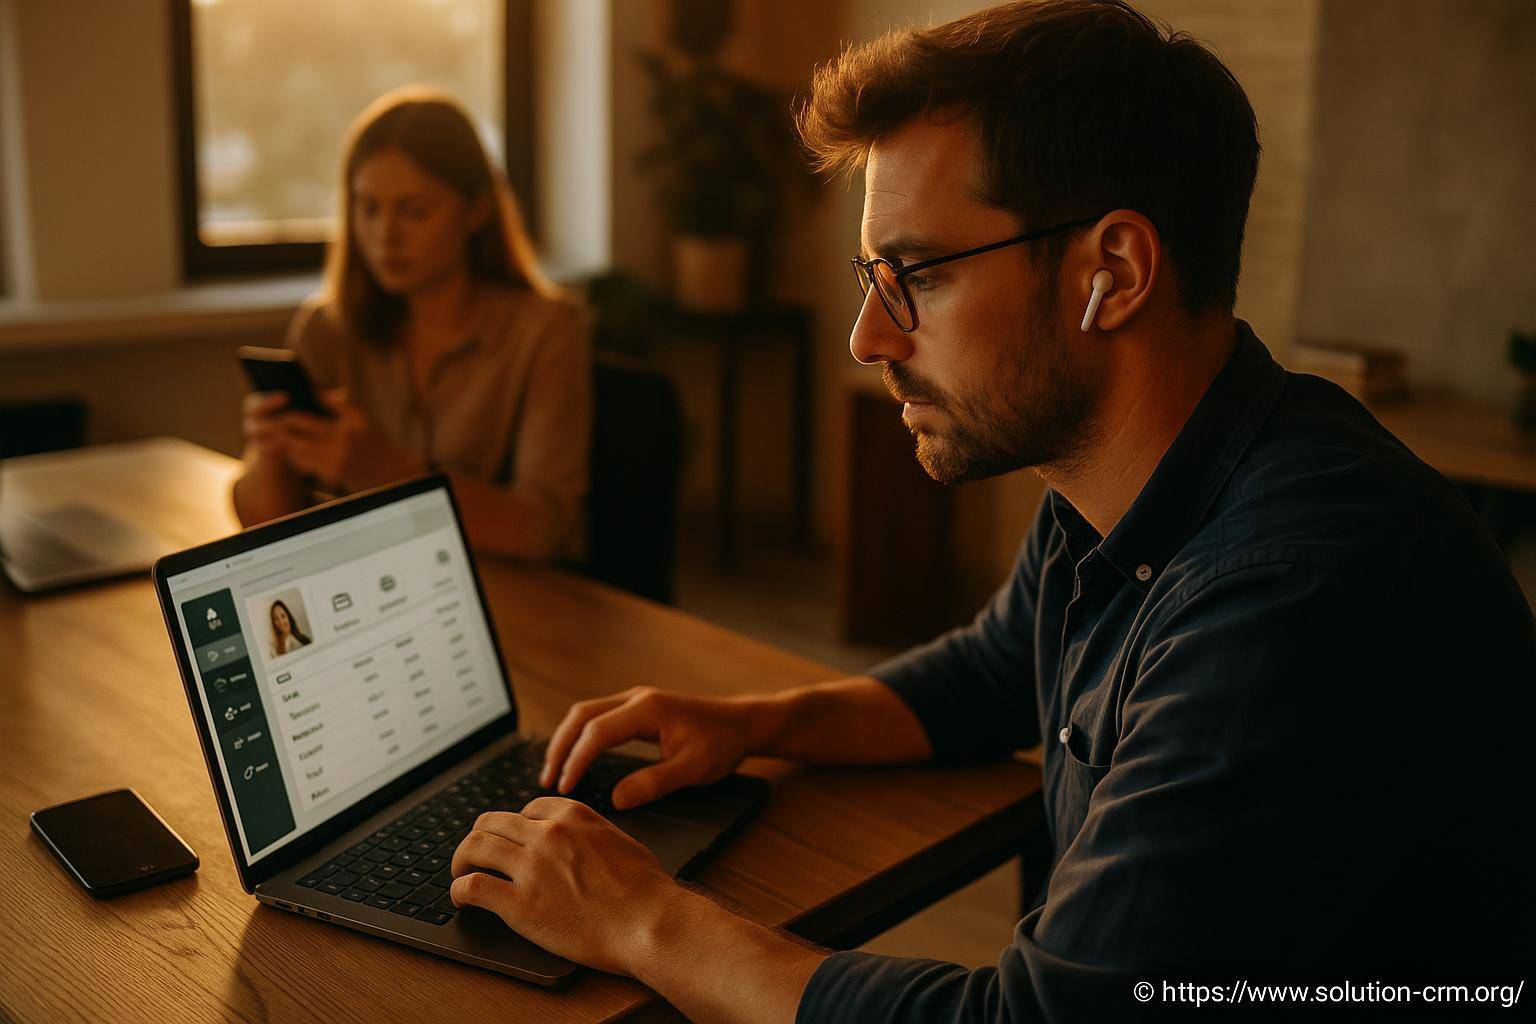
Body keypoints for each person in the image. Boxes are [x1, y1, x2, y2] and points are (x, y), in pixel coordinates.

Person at [443, 2, 1536, 1021]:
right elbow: (992, 673)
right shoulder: (1126, 473)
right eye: (874, 273)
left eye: (917, 272)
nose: (872, 337)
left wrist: (641, 916)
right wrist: (756, 723)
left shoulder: (1292, 597)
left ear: (1112, 271)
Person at [233, 87, 591, 564]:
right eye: (368, 209)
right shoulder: (328, 326)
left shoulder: (547, 330)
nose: (385, 235)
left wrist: (386, 471)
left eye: (415, 211)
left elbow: (544, 530)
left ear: (477, 211)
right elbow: (262, 522)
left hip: (501, 597)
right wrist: (271, 457)